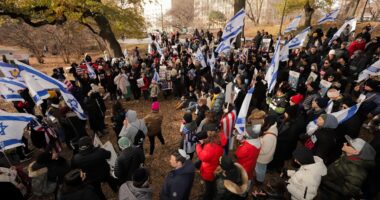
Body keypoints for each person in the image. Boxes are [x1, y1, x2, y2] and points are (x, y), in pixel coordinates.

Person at [320, 136, 376, 200]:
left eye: (349, 145)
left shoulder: (356, 172)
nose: (345, 144)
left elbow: (347, 192)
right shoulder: (348, 157)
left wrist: (325, 182)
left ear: (356, 152)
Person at [196, 130, 225, 200]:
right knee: (212, 183)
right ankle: (212, 193)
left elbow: (202, 157)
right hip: (215, 168)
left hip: (209, 171)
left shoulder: (210, 148)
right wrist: (204, 141)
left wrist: (198, 146)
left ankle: (207, 197)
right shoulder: (220, 146)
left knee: (209, 187)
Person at [255, 116, 278, 186]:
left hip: (263, 157)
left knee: (260, 169)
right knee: (262, 168)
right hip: (266, 156)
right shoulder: (273, 128)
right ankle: (259, 178)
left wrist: (256, 151)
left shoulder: (269, 137)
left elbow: (264, 150)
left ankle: (259, 181)